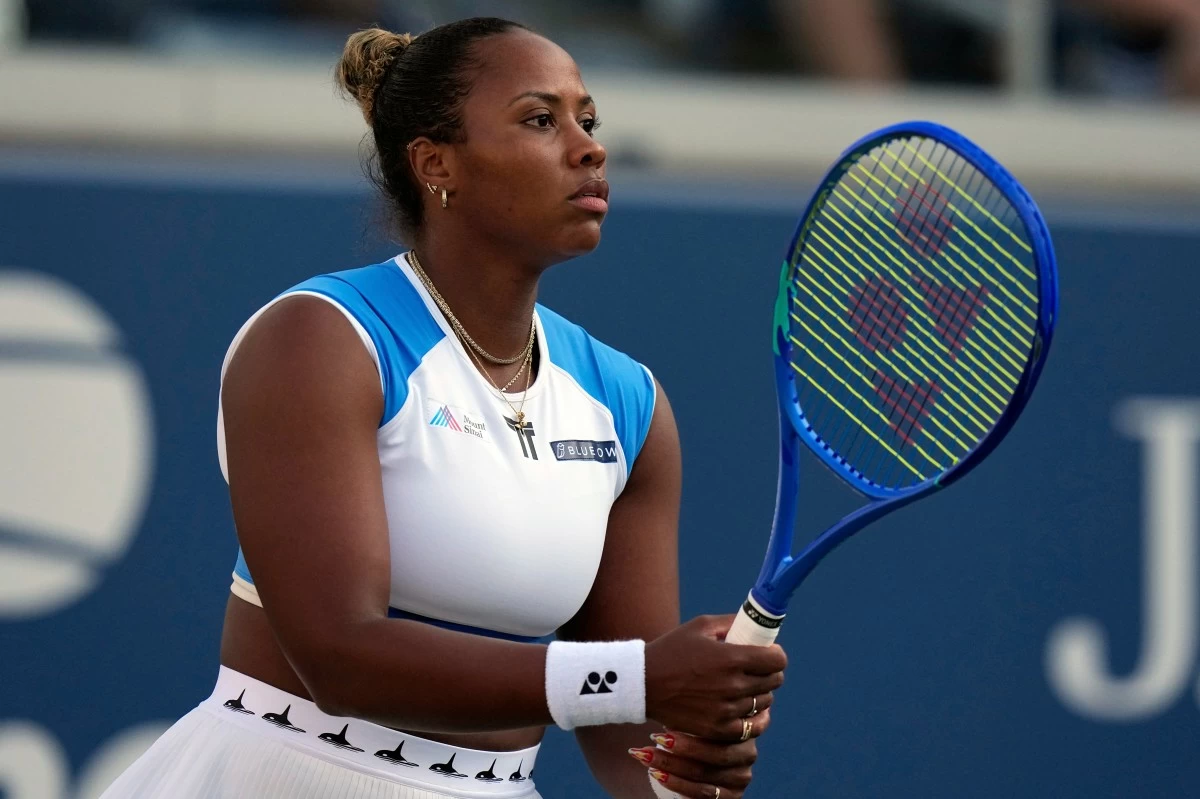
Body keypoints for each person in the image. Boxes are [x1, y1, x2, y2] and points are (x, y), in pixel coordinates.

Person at [99, 16, 788, 799]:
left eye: (588, 120)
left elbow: (622, 730)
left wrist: (685, 758)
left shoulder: (628, 402)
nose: (589, 147)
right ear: (435, 163)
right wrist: (637, 676)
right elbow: (339, 658)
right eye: (540, 119)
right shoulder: (321, 339)